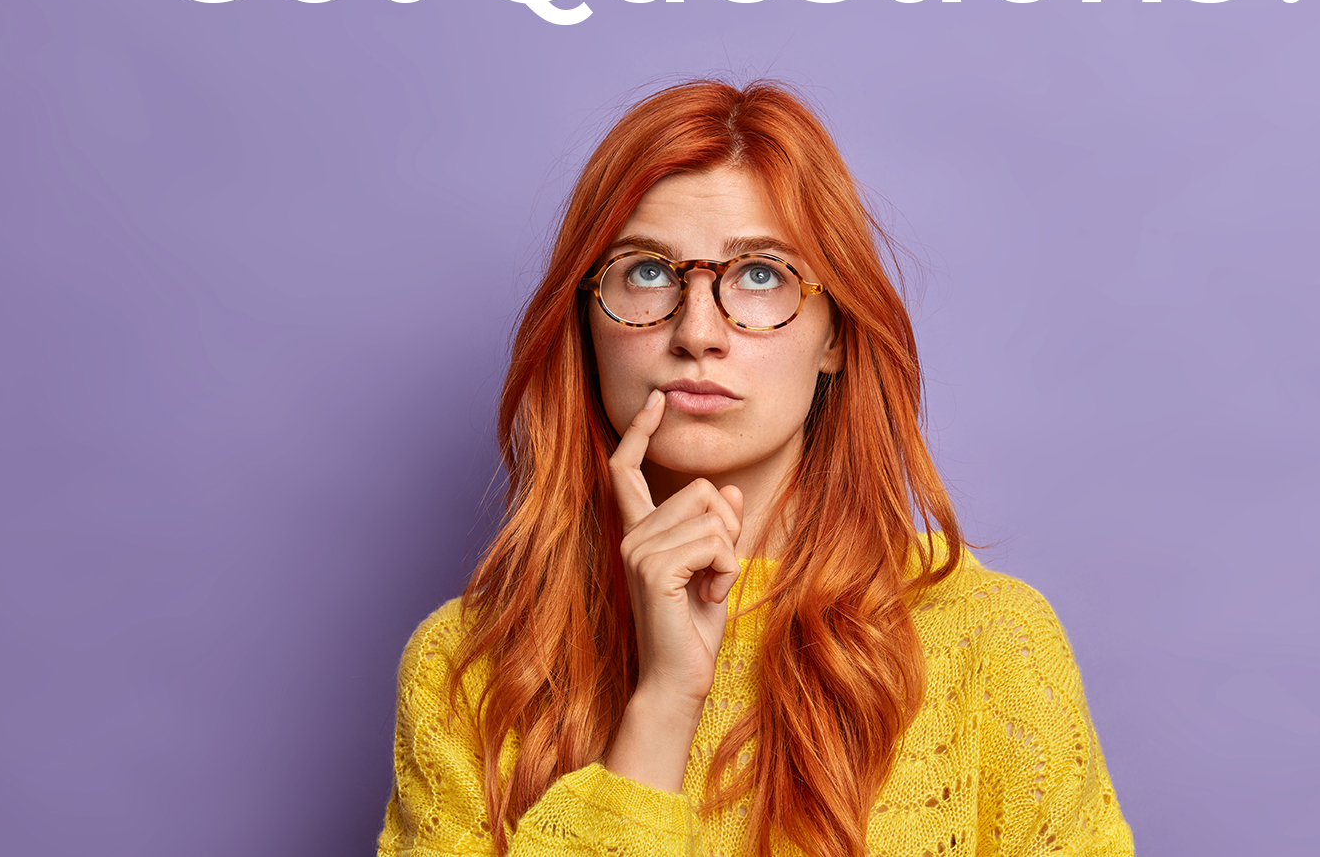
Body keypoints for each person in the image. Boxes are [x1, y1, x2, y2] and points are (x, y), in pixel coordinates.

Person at [376, 80, 1135, 857]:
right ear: (584, 324)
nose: (697, 331)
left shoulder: (990, 643)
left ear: (835, 333)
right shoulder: (466, 670)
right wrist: (664, 703)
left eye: (761, 274)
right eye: (645, 272)